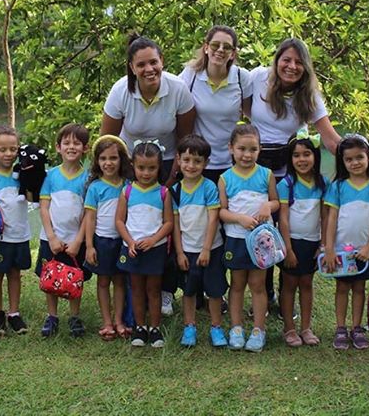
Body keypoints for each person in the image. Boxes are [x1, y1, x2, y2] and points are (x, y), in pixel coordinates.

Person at [102, 34, 195, 316]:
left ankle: (166, 290)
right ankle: (132, 291)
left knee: (165, 228)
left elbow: (185, 140)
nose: (149, 69)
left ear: (162, 62)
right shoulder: (120, 92)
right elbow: (109, 140)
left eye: (153, 62)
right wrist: (119, 176)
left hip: (168, 163)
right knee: (135, 224)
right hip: (133, 164)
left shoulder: (178, 89)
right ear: (131, 67)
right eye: (141, 64)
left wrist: (170, 179)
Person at [249, 38, 340, 309]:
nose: (292, 66)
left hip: (286, 173)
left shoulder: (309, 96)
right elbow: (240, 108)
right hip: (255, 169)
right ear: (276, 60)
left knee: (285, 227)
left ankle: (282, 286)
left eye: (299, 62)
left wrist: (365, 163)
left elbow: (330, 139)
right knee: (262, 230)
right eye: (286, 60)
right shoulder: (256, 78)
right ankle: (264, 293)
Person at [322, 134, 369, 351]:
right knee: (342, 287)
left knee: (359, 288)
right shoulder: (338, 187)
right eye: (349, 159)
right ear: (342, 162)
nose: (355, 163)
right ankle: (341, 328)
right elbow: (331, 218)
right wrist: (329, 248)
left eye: (359, 157)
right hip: (341, 251)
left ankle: (357, 327)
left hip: (364, 252)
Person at [218, 123, 279, 353]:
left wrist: (267, 206)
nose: (247, 154)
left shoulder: (266, 174)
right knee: (237, 284)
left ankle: (258, 330)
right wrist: (239, 219)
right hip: (236, 238)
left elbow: (275, 201)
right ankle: (236, 328)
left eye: (252, 149)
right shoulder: (225, 178)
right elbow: (221, 211)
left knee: (258, 284)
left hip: (262, 240)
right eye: (242, 149)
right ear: (231, 148)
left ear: (260, 149)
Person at [116, 140, 174, 348]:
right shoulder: (127, 192)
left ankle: (155, 328)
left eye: (152, 168)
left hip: (155, 250)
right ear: (133, 166)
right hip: (133, 249)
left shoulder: (163, 193)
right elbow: (119, 221)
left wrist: (153, 240)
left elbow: (169, 223)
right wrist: (130, 242)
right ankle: (140, 327)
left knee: (154, 289)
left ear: (159, 167)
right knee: (137, 288)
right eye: (141, 168)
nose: (146, 173)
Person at [172, 134, 228, 348]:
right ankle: (189, 327)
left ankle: (216, 327)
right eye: (186, 160)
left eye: (197, 161)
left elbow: (214, 218)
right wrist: (179, 253)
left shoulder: (209, 188)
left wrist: (206, 249)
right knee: (189, 291)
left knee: (214, 291)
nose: (191, 165)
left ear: (206, 163)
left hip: (211, 249)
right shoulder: (175, 191)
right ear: (178, 160)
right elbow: (175, 225)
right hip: (187, 251)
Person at [36, 123, 92, 338]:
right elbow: (44, 207)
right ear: (58, 147)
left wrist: (79, 241)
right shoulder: (50, 176)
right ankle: (52, 316)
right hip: (51, 239)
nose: (71, 147)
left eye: (77, 143)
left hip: (75, 240)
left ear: (85, 148)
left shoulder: (88, 179)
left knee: (74, 277)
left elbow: (89, 213)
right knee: (50, 276)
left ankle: (74, 316)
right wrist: (51, 237)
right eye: (66, 143)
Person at [179, 26, 253, 183]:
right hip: (197, 162)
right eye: (215, 45)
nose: (220, 50)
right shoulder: (190, 75)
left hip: (232, 162)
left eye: (226, 47)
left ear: (233, 53)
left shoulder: (242, 77)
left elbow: (254, 114)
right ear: (206, 47)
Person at [276, 131, 327, 347]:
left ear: (315, 156)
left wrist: (323, 244)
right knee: (289, 284)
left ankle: (306, 328)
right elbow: (283, 220)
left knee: (307, 283)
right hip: (292, 242)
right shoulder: (286, 184)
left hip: (313, 242)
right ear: (290, 159)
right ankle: (289, 328)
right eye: (296, 155)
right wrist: (288, 248)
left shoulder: (322, 183)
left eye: (307, 154)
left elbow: (325, 215)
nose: (302, 160)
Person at [0, 124, 32, 336]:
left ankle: (14, 313)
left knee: (15, 273)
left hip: (21, 234)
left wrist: (31, 176)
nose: (8, 154)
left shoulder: (22, 173)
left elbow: (32, 197)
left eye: (13, 149)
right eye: (2, 149)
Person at [83, 134, 132, 341]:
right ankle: (107, 322)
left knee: (119, 281)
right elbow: (90, 218)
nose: (108, 163)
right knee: (103, 281)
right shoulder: (95, 187)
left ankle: (120, 320)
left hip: (122, 241)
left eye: (113, 158)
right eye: (103, 159)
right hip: (102, 241)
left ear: (121, 159)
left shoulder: (128, 185)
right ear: (97, 161)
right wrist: (89, 246)